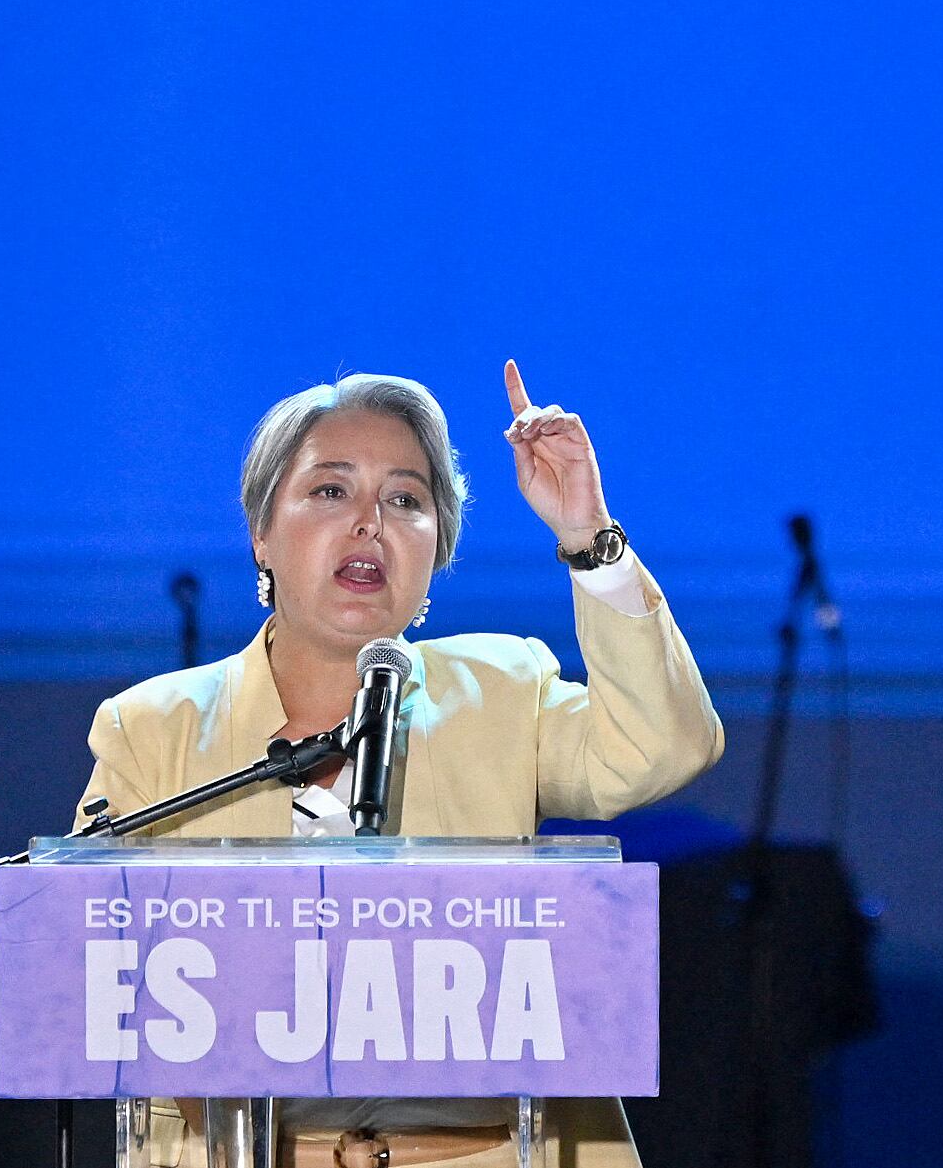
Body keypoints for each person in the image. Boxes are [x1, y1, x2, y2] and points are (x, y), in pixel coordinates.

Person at [76, 361, 723, 1168]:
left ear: (436, 551)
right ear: (261, 533)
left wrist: (589, 538)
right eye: (330, 491)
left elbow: (663, 747)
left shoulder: (502, 691)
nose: (369, 523)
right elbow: (88, 981)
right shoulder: (150, 730)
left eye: (406, 500)